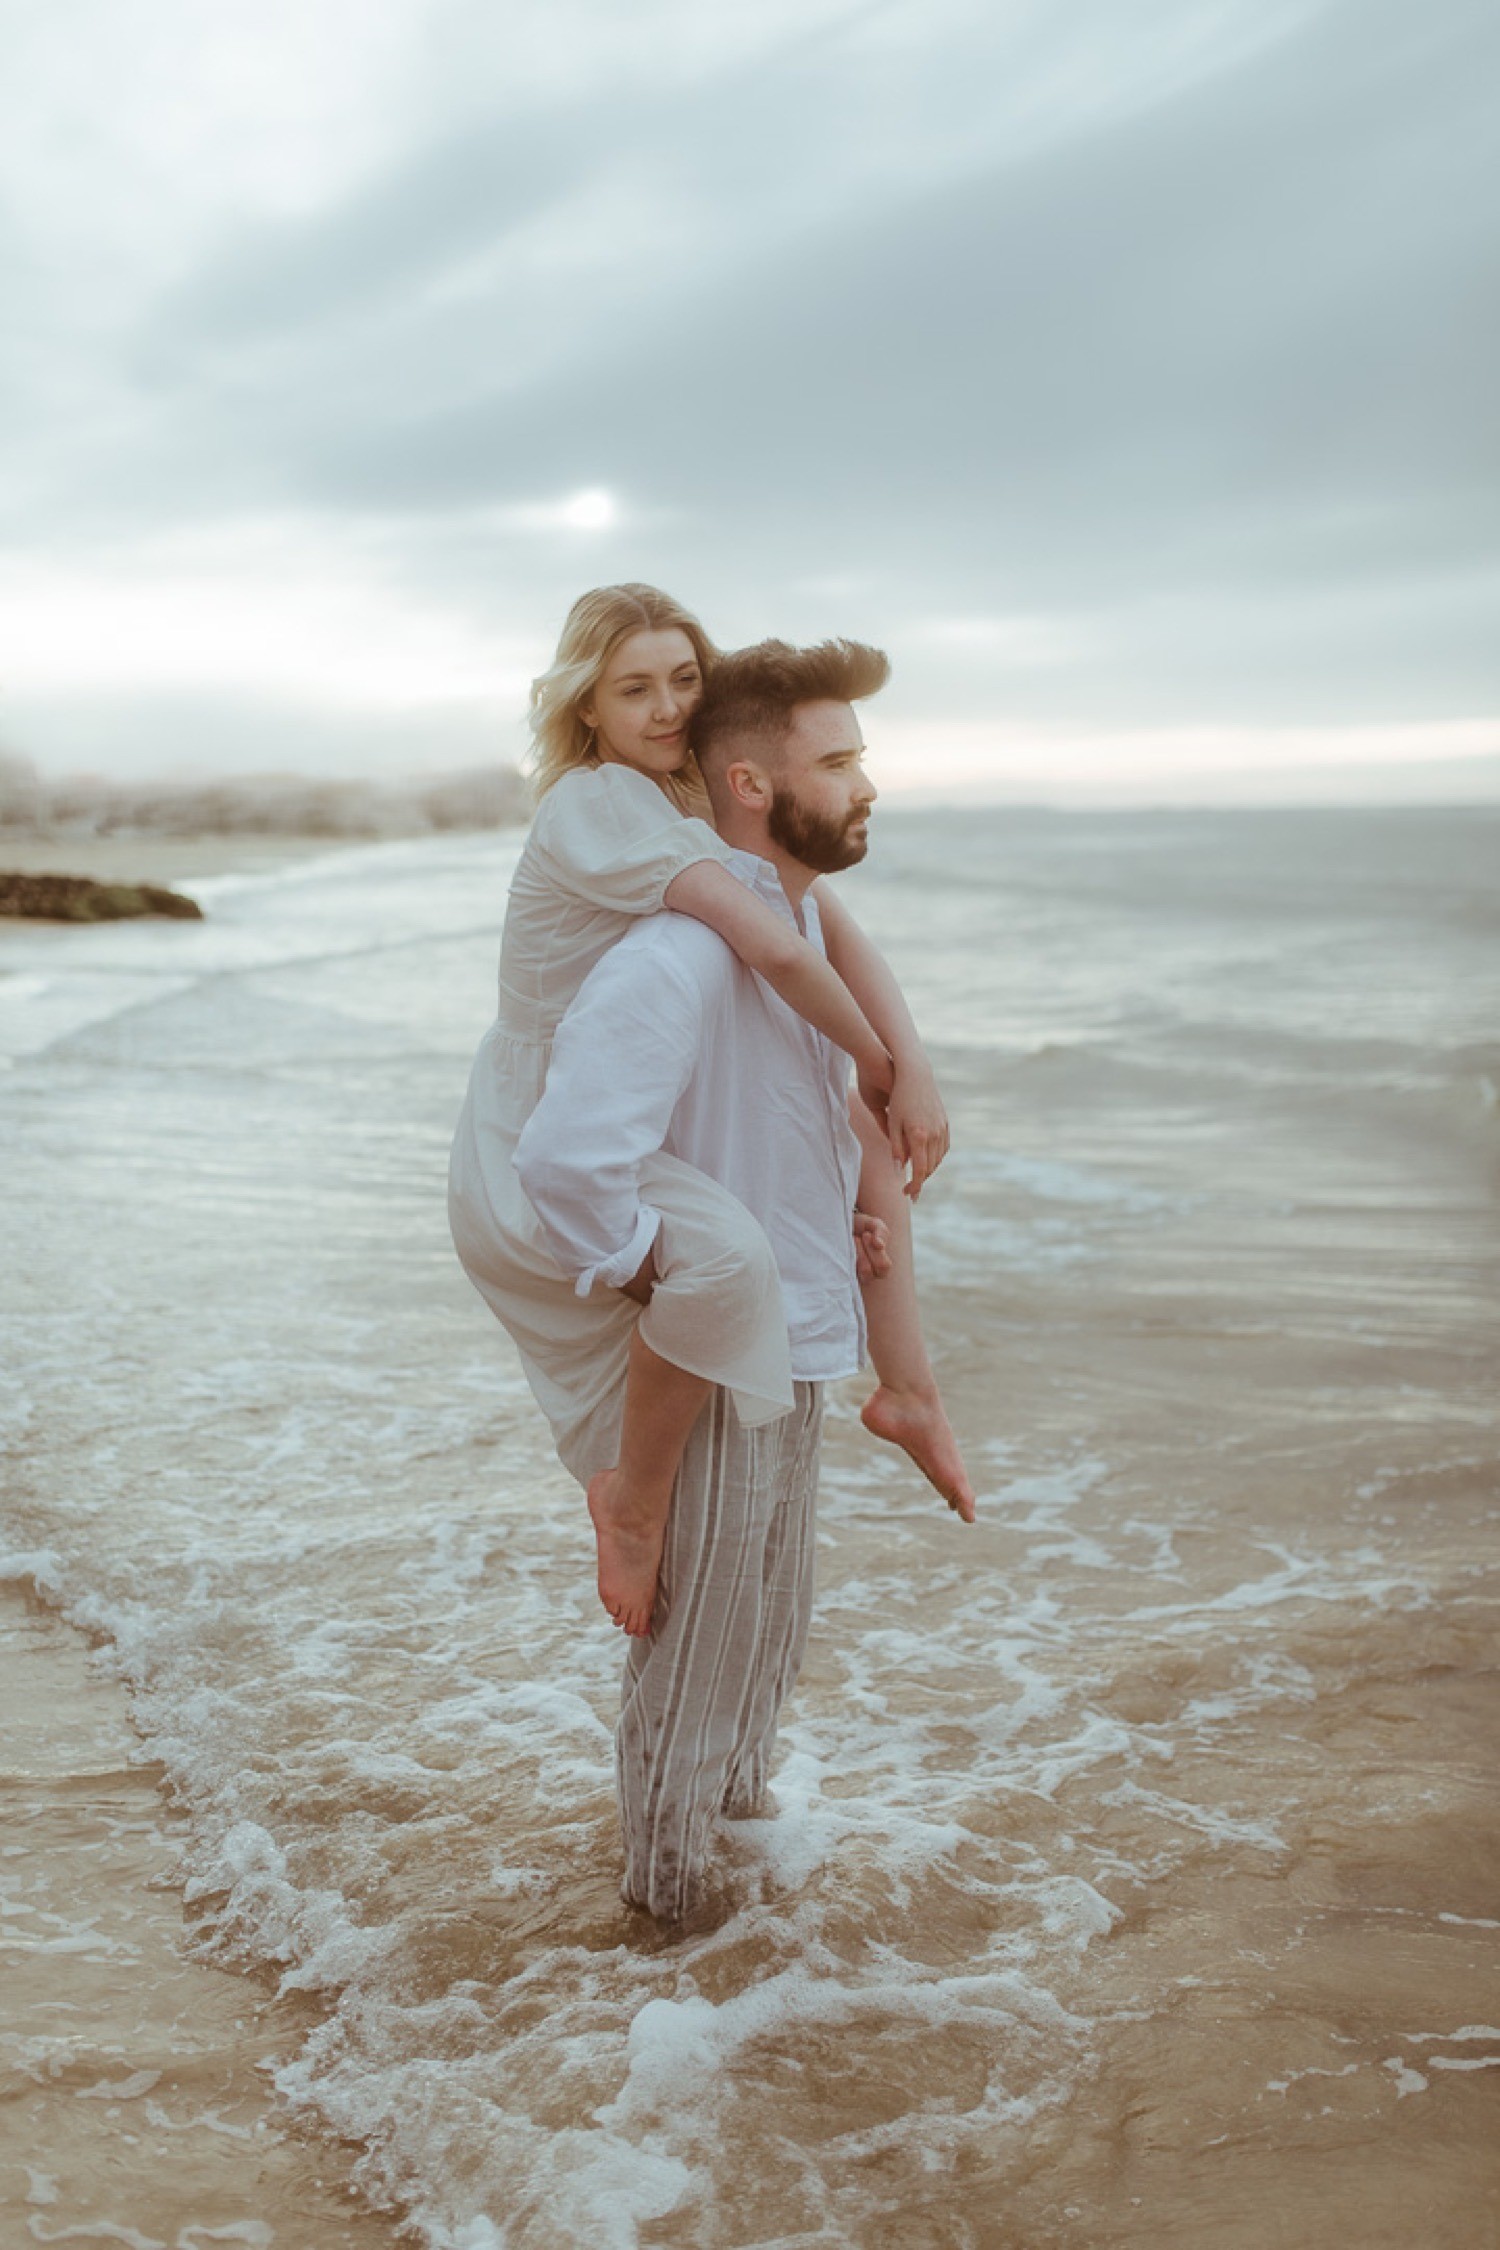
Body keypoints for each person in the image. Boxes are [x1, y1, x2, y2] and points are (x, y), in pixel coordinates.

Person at [514, 635, 974, 1918]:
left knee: (760, 1661)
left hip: (802, 1347)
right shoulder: (681, 956)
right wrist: (665, 1281)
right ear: (754, 788)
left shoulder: (799, 926)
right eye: (839, 761)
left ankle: (748, 1964)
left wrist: (857, 1272)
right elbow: (564, 1162)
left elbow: (813, 1124)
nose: (867, 783)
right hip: (719, 1358)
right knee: (694, 1674)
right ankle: (654, 1953)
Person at [448, 586, 973, 1638]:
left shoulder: (679, 793)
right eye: (633, 688)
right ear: (585, 705)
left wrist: (904, 1065)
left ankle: (910, 1391)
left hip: (631, 1102)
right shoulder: (598, 801)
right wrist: (872, 1059)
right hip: (549, 1132)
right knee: (737, 1267)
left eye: (685, 679)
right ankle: (628, 1498)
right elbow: (775, 945)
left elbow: (821, 918)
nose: (667, 707)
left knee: (862, 1141)